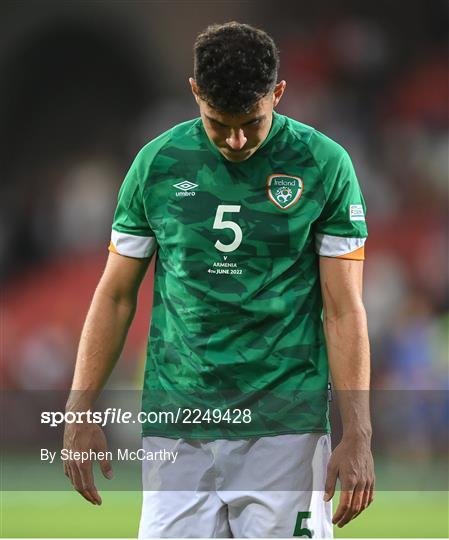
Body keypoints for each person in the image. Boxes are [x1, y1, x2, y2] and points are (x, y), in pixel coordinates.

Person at [63, 21, 374, 538]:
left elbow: (343, 308)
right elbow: (115, 296)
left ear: (278, 93)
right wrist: (79, 405)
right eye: (217, 122)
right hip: (178, 425)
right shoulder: (156, 165)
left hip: (285, 427)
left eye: (251, 122)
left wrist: (358, 433)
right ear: (195, 93)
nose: (234, 139)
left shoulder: (324, 166)